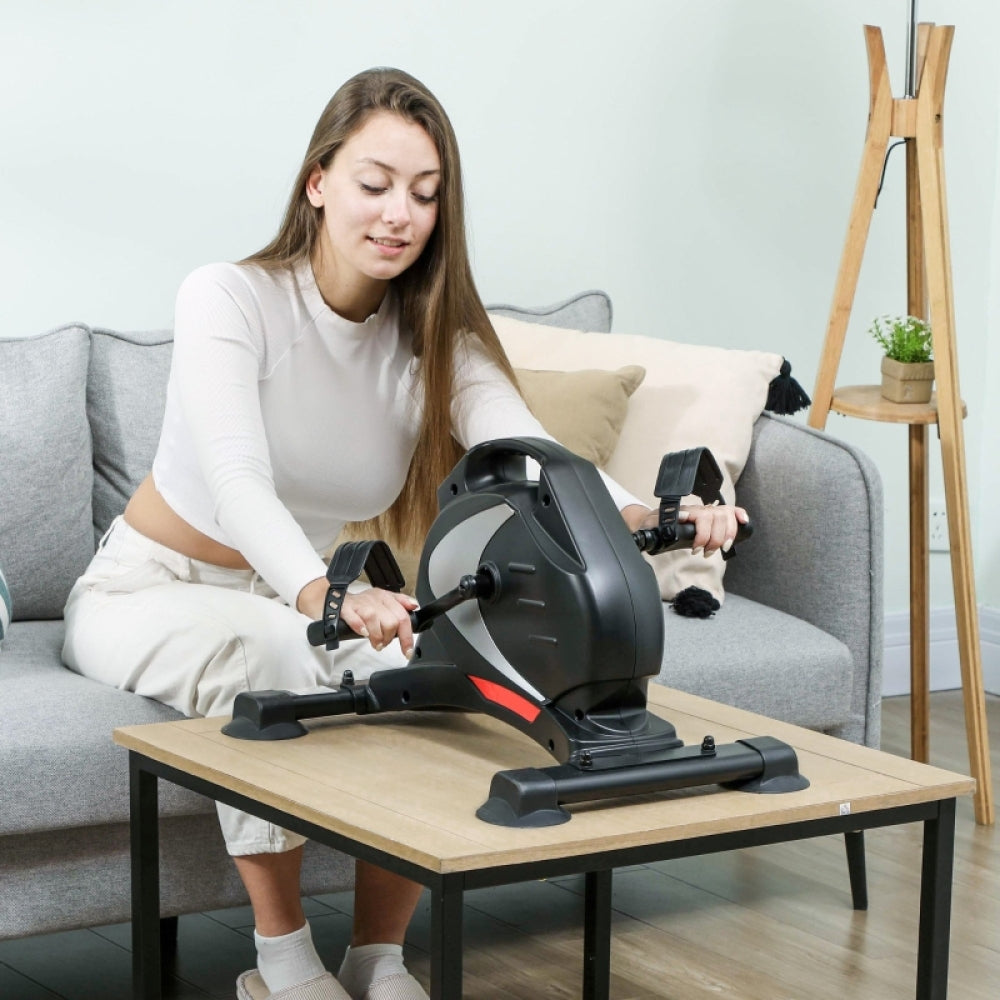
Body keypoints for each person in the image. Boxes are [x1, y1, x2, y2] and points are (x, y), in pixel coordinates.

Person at [62, 67, 746, 1000]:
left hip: (307, 594)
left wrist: (653, 517)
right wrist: (324, 598)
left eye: (425, 195)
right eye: (374, 184)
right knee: (270, 647)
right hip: (152, 588)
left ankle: (378, 954)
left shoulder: (433, 338)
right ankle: (281, 964)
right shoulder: (229, 298)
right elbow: (236, 480)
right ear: (317, 182)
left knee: (433, 676)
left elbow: (528, 448)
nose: (399, 214)